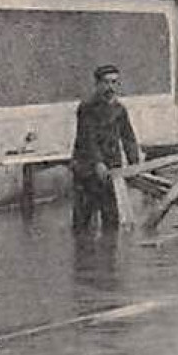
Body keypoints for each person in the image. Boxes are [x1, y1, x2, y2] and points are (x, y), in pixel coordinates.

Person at [71, 64, 141, 231]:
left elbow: (128, 137)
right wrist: (97, 163)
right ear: (98, 84)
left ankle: (108, 254)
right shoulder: (87, 108)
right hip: (86, 170)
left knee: (111, 219)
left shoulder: (119, 109)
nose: (111, 87)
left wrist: (134, 164)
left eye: (115, 82)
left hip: (111, 170)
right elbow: (87, 138)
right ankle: (82, 253)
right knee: (82, 221)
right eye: (107, 82)